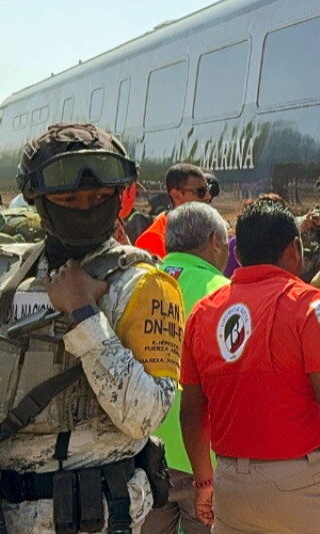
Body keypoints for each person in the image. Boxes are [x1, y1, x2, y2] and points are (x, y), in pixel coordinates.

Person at [0, 123, 185, 532]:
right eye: (68, 199)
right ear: (39, 201)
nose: (85, 209)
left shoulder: (144, 285)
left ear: (118, 197)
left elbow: (143, 417)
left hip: (95, 518)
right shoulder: (1, 277)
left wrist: (84, 316)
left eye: (99, 198)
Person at [179, 200, 320, 533]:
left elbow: (192, 410)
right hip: (303, 481)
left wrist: (204, 482)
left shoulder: (202, 313)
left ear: (239, 255)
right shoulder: (306, 302)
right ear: (294, 249)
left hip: (230, 484)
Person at [141, 202, 231, 534]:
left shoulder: (138, 285)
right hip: (203, 461)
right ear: (215, 241)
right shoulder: (224, 295)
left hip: (142, 454)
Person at [135, 163, 211, 257]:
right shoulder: (153, 238)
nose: (208, 196)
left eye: (208, 189)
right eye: (201, 191)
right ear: (176, 195)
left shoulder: (210, 229)